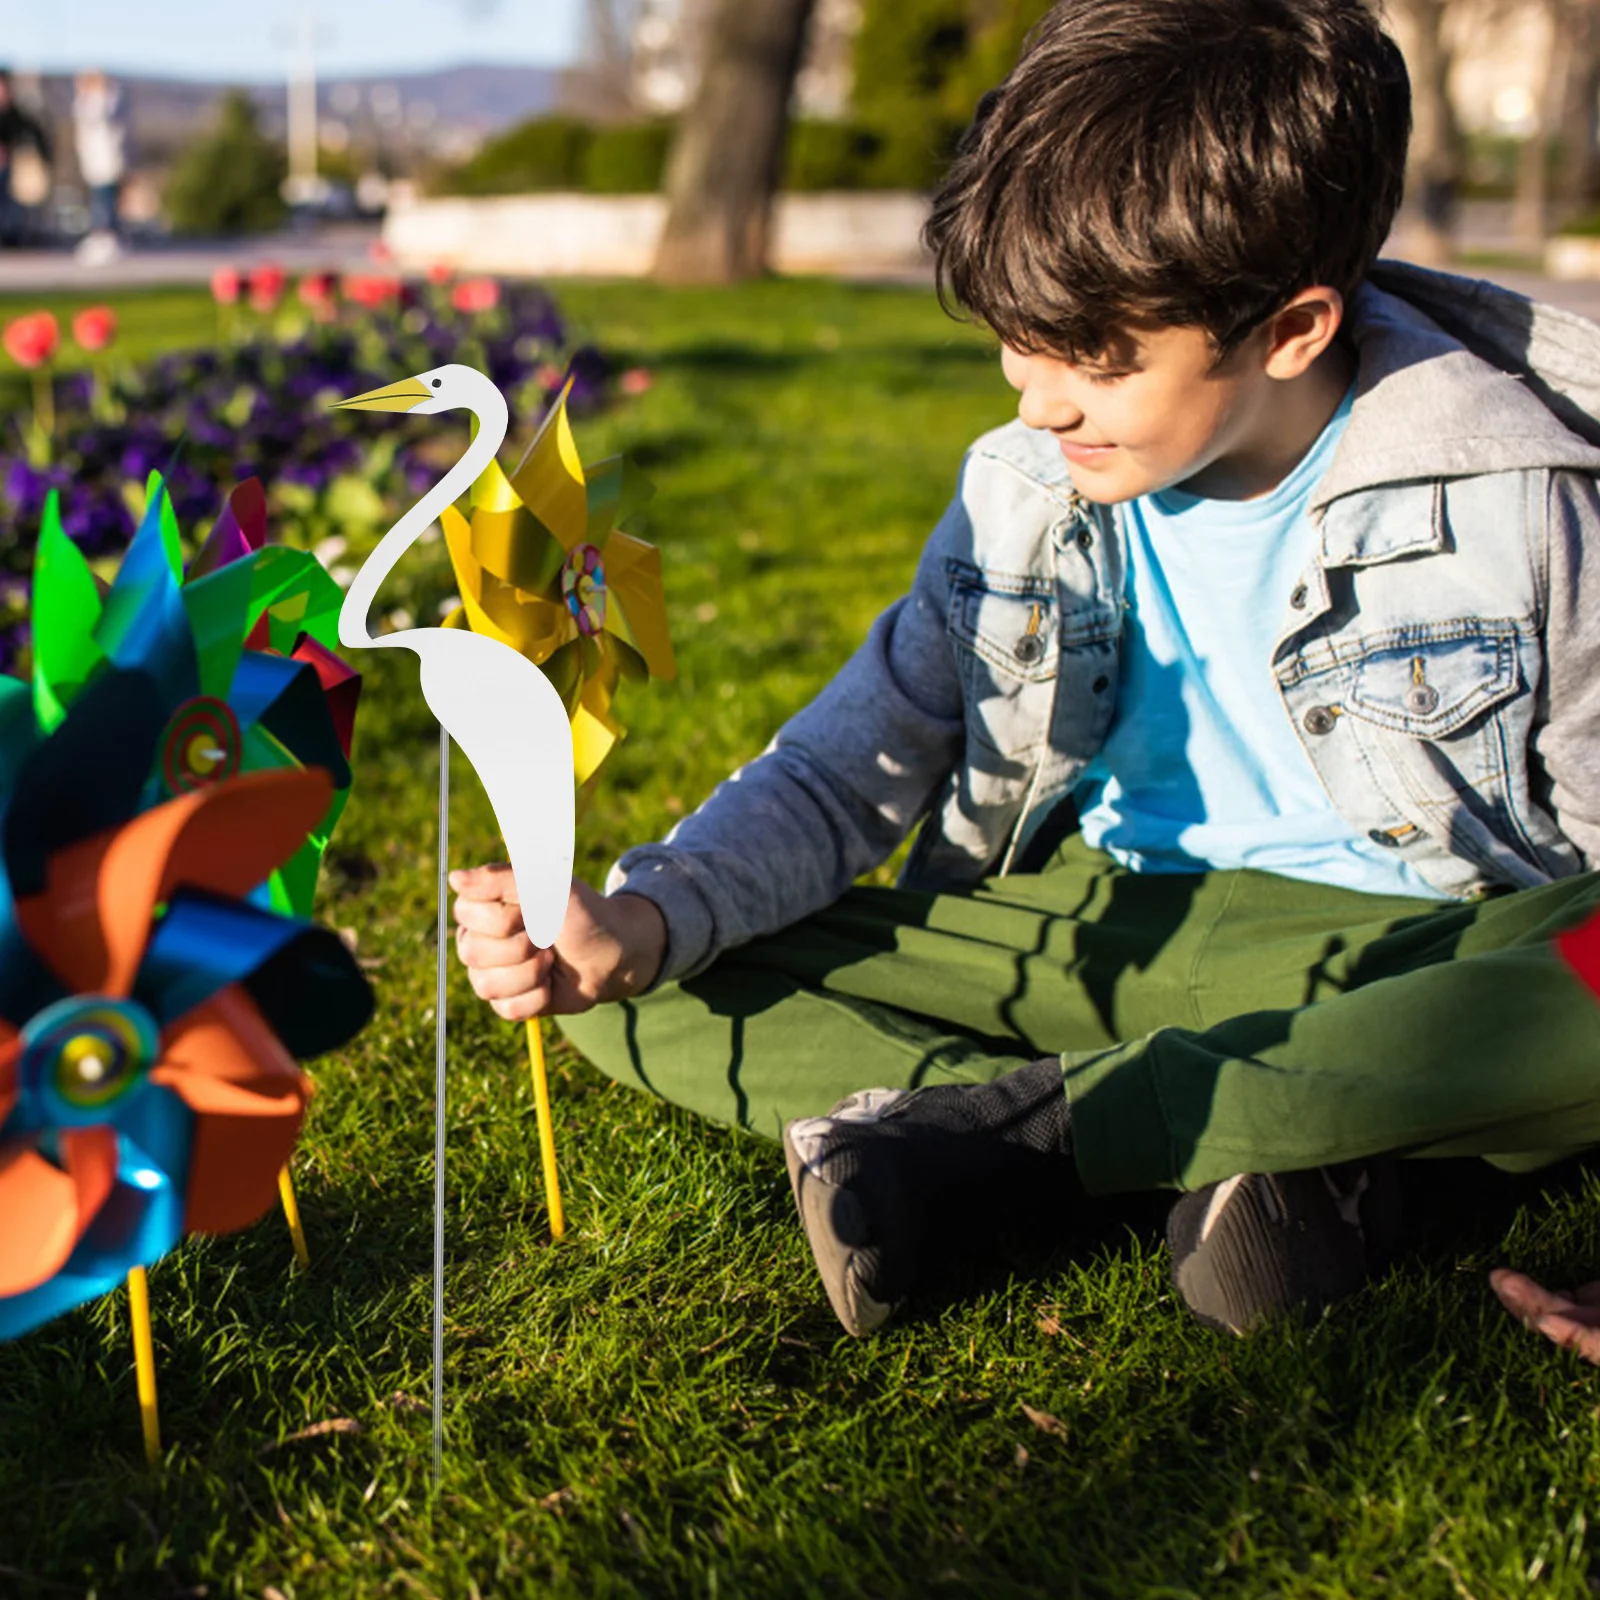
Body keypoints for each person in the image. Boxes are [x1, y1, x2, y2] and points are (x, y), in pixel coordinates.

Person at [452, 0, 1600, 1341]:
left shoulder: (1511, 499)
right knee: (639, 987)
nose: (1037, 399)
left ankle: (1036, 1143)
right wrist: (642, 922)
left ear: (1290, 329)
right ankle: (1299, 1149)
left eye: (1097, 362)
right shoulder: (1022, 491)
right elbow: (845, 770)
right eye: (1018, 339)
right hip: (1095, 925)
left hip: (1416, 953)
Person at [72, 71, 126, 265]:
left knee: (105, 202)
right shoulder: (86, 99)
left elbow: (99, 116)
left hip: (106, 161)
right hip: (93, 161)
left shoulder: (108, 97)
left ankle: (107, 239)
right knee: (98, 200)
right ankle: (99, 237)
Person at [0, 68, 51, 249]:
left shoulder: (17, 114)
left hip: (11, 170)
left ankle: (10, 237)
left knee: (12, 206)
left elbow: (35, 135)